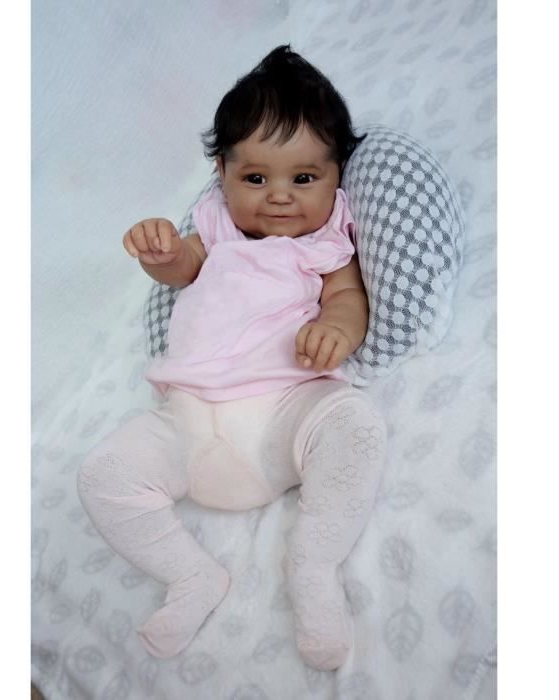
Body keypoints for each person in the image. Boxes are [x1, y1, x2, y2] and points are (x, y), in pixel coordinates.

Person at [77, 45, 386, 672]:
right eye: (256, 179)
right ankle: (191, 575)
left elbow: (348, 296)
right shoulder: (216, 226)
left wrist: (336, 328)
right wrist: (162, 252)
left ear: (336, 176)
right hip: (187, 422)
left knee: (355, 426)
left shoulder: (326, 242)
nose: (279, 198)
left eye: (304, 179)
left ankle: (314, 566)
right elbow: (182, 269)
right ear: (222, 173)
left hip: (285, 411)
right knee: (102, 475)